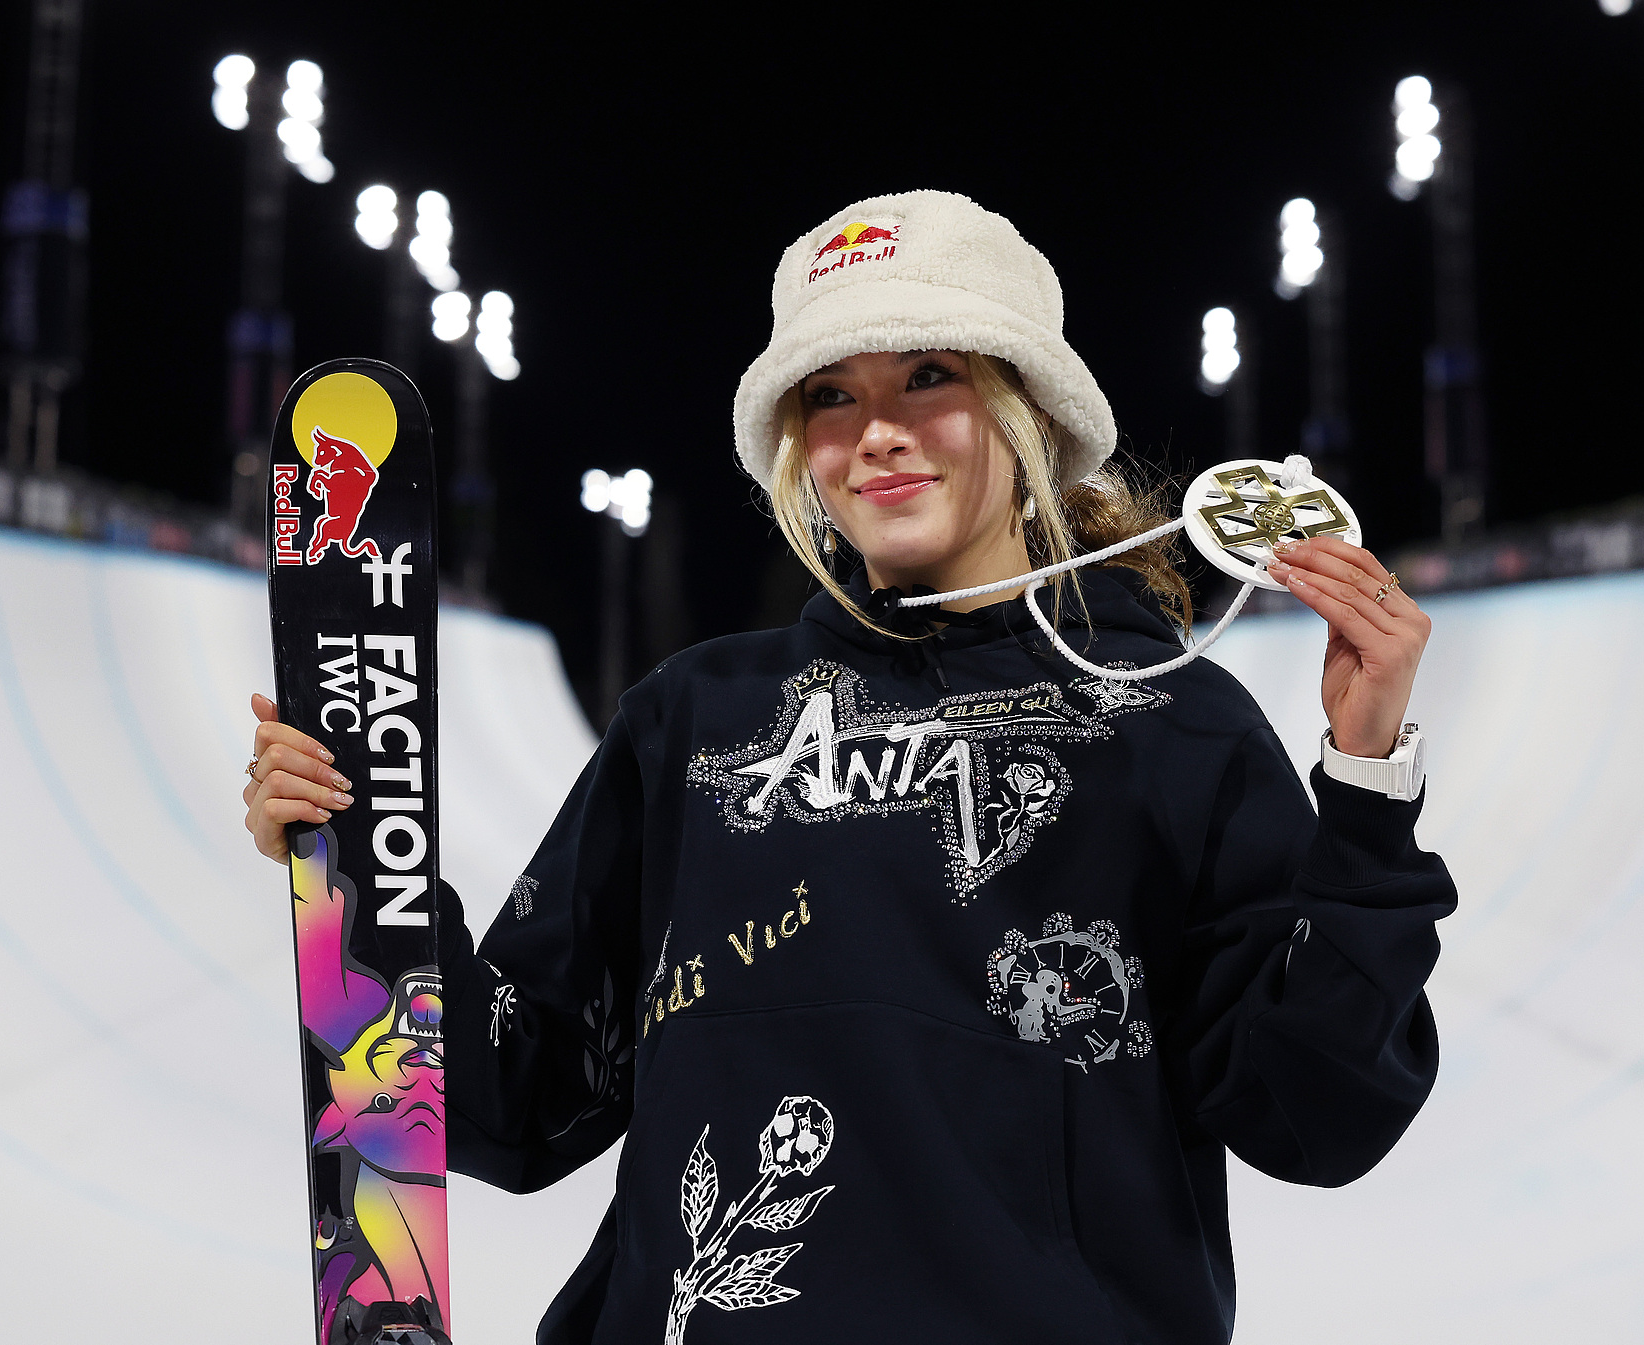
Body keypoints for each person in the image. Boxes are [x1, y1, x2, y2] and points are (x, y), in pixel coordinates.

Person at [243, 190, 1452, 1344]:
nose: (875, 431)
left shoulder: (1170, 722)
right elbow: (523, 1087)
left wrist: (1363, 789)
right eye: (830, 394)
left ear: (1026, 406)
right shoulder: (695, 718)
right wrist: (355, 872)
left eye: (930, 376)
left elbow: (1313, 1112)